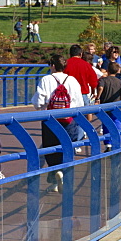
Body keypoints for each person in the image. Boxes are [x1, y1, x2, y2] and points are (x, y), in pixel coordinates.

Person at [31, 54, 85, 192]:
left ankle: (55, 175)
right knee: (67, 147)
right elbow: (80, 103)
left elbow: (38, 103)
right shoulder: (72, 80)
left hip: (50, 120)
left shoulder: (46, 79)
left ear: (53, 66)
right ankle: (63, 173)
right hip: (69, 120)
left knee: (51, 149)